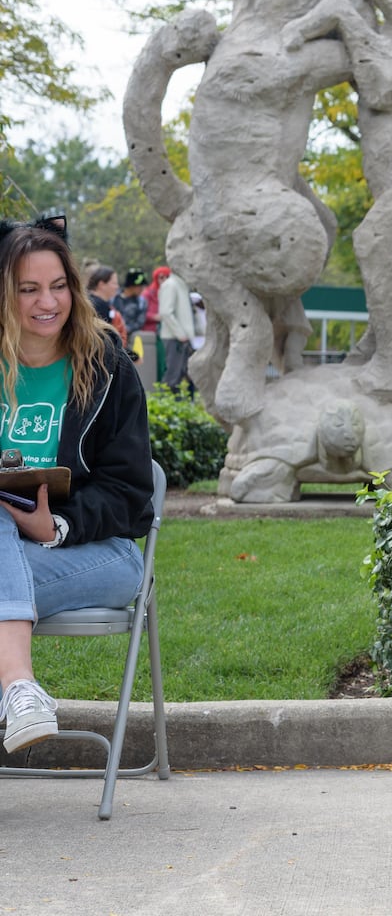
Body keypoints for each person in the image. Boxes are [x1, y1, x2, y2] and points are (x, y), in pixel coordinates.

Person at [0, 215, 154, 754]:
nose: (49, 301)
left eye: (59, 285)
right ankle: (20, 691)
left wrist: (57, 525)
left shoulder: (107, 366)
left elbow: (132, 494)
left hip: (97, 554)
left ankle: (17, 687)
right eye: (29, 289)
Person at [156, 265, 195, 392]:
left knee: (184, 374)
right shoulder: (170, 285)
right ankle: (164, 406)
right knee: (172, 376)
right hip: (174, 338)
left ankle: (178, 406)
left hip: (183, 338)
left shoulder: (181, 284)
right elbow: (166, 312)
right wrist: (180, 334)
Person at [85, 266, 128, 343]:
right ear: (101, 284)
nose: (117, 287)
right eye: (114, 283)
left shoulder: (90, 301)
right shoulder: (98, 305)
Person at [113, 268, 150, 340]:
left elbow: (140, 322)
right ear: (131, 286)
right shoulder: (113, 298)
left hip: (130, 339)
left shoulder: (141, 302)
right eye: (140, 286)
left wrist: (124, 329)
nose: (142, 289)